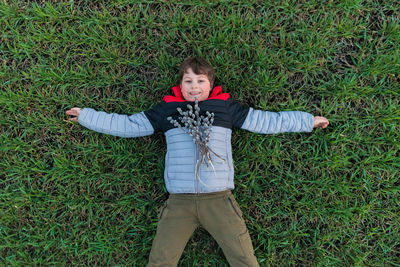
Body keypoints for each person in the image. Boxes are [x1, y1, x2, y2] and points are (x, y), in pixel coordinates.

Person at [66, 57, 329, 266]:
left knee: (244, 259)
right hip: (179, 203)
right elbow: (128, 124)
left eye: (200, 81)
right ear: (180, 86)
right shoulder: (167, 111)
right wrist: (87, 116)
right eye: (188, 81)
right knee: (160, 260)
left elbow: (267, 120)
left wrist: (307, 121)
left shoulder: (225, 108)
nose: (194, 86)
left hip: (219, 200)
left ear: (211, 85)